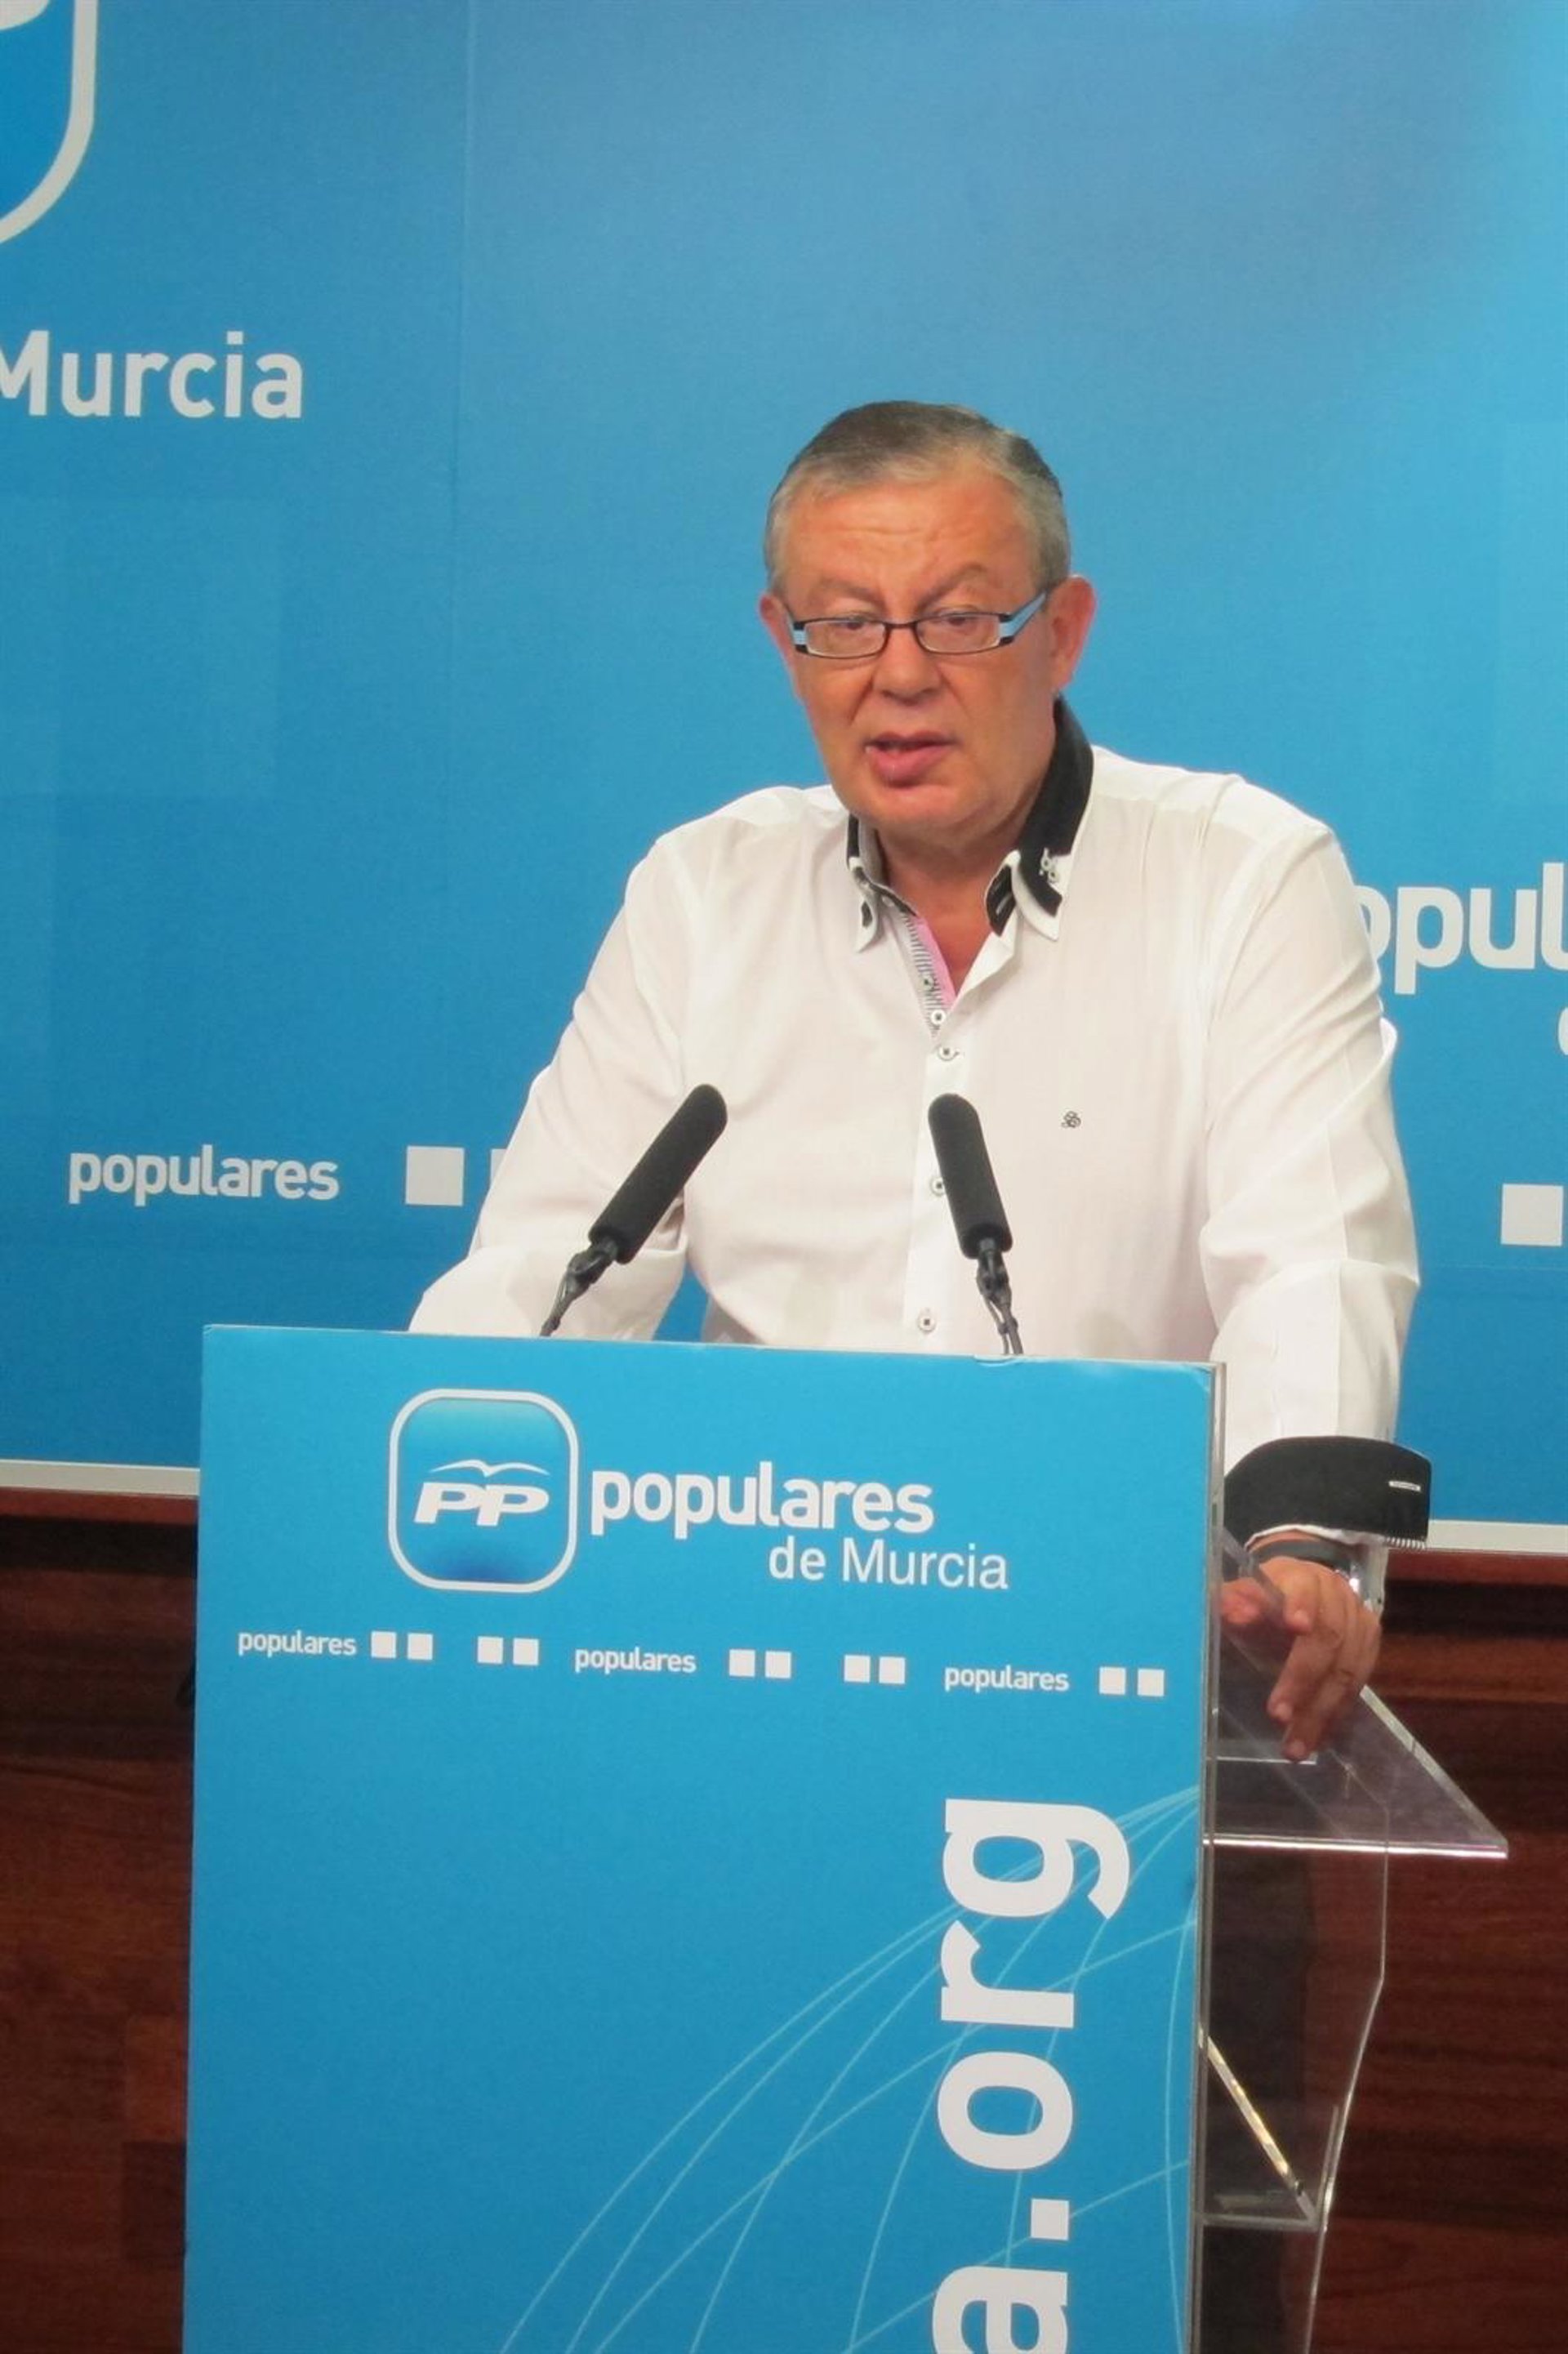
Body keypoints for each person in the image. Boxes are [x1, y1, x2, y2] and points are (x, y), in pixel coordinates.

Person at [412, 399, 1418, 1762]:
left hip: (1112, 1666)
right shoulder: (705, 894)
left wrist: (1300, 1541)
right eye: (843, 624)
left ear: (1062, 632)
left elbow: (1316, 1254)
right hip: (752, 1661)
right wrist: (412, 1471)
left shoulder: (1243, 879)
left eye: (957, 619)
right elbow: (545, 1267)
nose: (896, 674)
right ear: (783, 642)